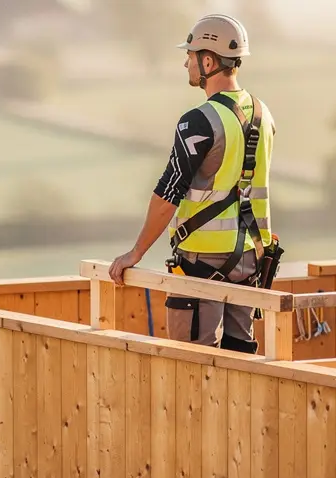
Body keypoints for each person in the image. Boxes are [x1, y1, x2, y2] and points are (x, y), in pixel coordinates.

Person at [107, 13, 277, 354]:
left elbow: (169, 191)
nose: (186, 63)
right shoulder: (263, 113)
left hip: (202, 260)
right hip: (249, 258)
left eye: (191, 56)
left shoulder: (199, 121)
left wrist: (135, 252)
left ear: (209, 61)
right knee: (239, 360)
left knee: (192, 368)